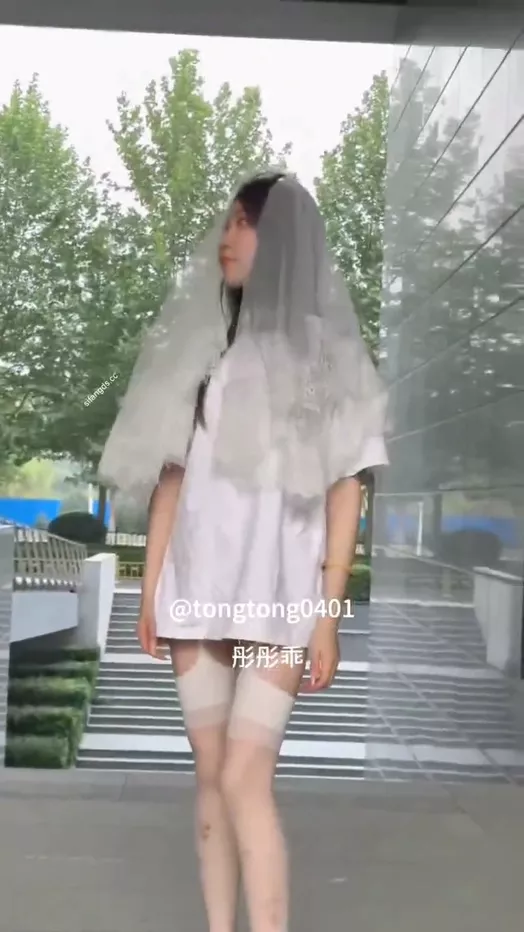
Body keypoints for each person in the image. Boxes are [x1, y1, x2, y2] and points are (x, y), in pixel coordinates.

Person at [98, 170, 388, 932]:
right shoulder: (204, 356)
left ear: (283, 242)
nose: (226, 238)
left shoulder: (331, 361)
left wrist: (327, 616)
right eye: (226, 222)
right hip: (196, 594)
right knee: (210, 778)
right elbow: (172, 481)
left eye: (244, 224)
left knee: (244, 777)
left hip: (280, 603)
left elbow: (346, 490)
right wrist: (150, 590)